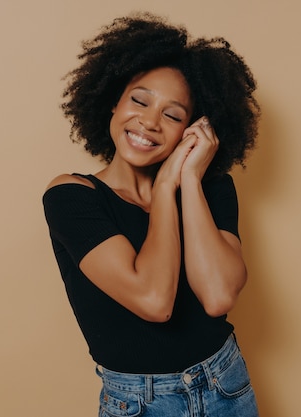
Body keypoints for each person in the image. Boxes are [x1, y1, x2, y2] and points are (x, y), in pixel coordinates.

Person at [42, 12, 260, 417]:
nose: (149, 121)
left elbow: (218, 296)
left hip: (226, 385)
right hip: (140, 403)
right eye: (139, 101)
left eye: (173, 115)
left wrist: (189, 181)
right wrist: (164, 187)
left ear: (191, 130)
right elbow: (155, 300)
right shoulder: (71, 196)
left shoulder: (212, 187)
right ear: (113, 101)